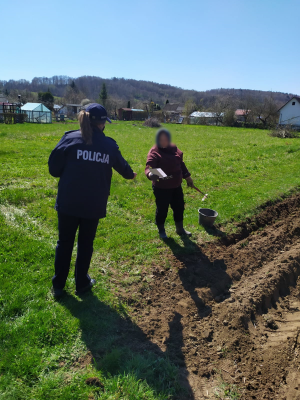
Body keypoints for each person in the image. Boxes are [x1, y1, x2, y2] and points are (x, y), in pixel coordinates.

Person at [48, 103, 136, 297]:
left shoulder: (69, 139)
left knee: (64, 243)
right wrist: (132, 174)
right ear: (102, 123)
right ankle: (81, 283)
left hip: (68, 202)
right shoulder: (109, 145)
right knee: (85, 244)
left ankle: (59, 286)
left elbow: (53, 169)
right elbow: (125, 170)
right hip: (93, 205)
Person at [145, 128, 193, 239]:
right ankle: (161, 230)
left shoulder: (174, 149)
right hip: (162, 188)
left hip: (176, 186)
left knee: (179, 207)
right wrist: (150, 175)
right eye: (161, 140)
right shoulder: (154, 151)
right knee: (162, 209)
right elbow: (148, 168)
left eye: (166, 139)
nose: (163, 142)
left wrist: (188, 177)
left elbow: (181, 163)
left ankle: (180, 229)